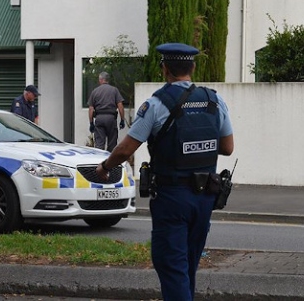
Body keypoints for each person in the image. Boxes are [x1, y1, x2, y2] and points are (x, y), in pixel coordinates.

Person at [95, 43, 234, 301]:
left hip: (172, 197)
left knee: (171, 265)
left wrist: (104, 167)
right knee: (188, 264)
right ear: (192, 67)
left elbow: (126, 150)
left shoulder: (156, 104)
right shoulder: (215, 100)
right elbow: (227, 147)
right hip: (205, 198)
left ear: (164, 70)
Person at [87, 71, 126, 152]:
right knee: (112, 144)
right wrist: (122, 120)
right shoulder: (114, 90)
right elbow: (120, 106)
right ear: (107, 80)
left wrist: (91, 123)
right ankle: (110, 163)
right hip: (111, 118)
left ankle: (99, 162)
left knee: (99, 145)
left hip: (99, 118)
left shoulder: (95, 91)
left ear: (101, 80)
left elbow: (91, 109)